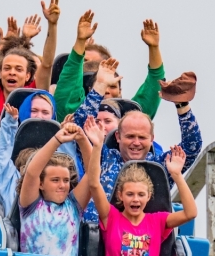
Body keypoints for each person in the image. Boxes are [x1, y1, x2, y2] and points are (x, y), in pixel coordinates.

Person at [76, 58, 202, 222]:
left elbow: (192, 148)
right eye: (130, 136)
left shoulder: (158, 168)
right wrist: (99, 87)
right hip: (98, 239)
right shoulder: (102, 158)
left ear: (152, 139)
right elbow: (77, 129)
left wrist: (182, 105)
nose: (136, 143)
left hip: (143, 243)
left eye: (142, 137)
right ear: (118, 137)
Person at [89, 142, 197, 256]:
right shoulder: (111, 217)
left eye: (141, 195)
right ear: (120, 195)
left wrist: (177, 175)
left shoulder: (158, 221)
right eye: (130, 194)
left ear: (148, 196)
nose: (135, 199)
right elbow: (94, 184)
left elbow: (190, 213)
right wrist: (97, 146)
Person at [0, 0, 59, 137]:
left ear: (28, 75)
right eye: (7, 68)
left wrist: (53, 25)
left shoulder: (34, 93)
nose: (12, 72)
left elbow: (47, 65)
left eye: (19, 69)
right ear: (0, 73)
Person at [54, 12, 166, 121]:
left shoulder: (130, 120)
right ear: (89, 89)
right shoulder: (73, 116)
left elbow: (153, 86)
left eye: (112, 86)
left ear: (120, 91)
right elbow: (69, 83)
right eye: (101, 84)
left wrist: (154, 48)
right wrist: (80, 41)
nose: (107, 91)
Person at [17, 122, 102, 256]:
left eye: (66, 180)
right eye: (55, 180)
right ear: (41, 184)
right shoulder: (30, 205)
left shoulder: (73, 207)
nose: (62, 185)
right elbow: (32, 173)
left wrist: (82, 139)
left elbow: (92, 176)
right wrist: (57, 140)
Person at [0, 92, 56, 212]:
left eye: (45, 112)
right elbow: (0, 153)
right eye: (34, 110)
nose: (39, 116)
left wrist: (66, 138)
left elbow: (72, 171)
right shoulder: (11, 175)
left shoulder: (57, 177)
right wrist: (10, 123)